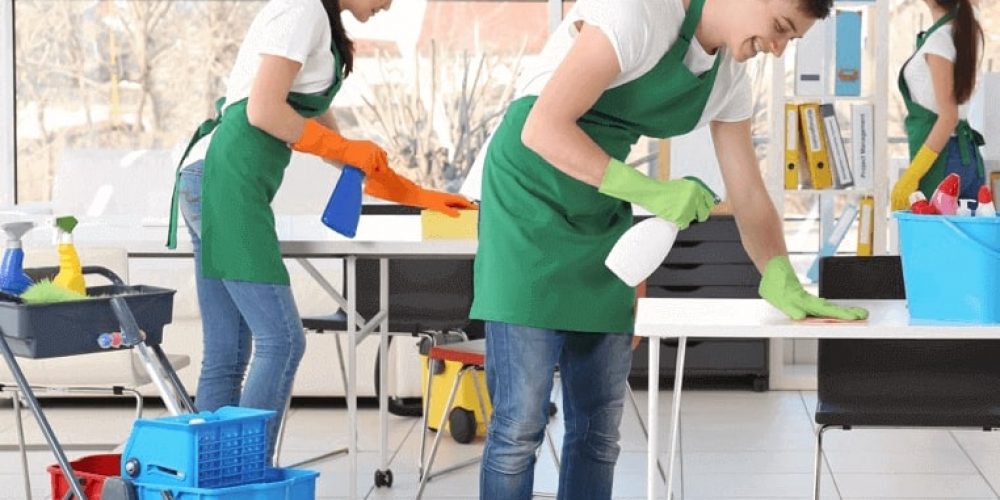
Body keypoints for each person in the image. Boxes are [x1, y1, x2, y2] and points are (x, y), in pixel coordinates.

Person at [467, 0, 868, 498]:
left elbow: (747, 191)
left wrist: (779, 272)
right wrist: (654, 192)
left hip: (601, 201)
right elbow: (542, 128)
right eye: (780, 28)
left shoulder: (728, 80)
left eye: (793, 40)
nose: (780, 50)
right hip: (527, 202)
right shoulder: (639, 12)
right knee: (520, 425)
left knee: (598, 429)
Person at [164, 0, 475, 458]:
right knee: (283, 339)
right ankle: (247, 475)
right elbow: (263, 111)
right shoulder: (301, 9)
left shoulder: (319, 26)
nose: (390, 5)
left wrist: (420, 196)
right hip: (224, 180)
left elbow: (335, 148)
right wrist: (345, 149)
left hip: (211, 179)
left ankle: (208, 479)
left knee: (228, 350)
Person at [890, 0, 985, 211]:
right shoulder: (968, 29)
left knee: (931, 240)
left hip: (941, 159)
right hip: (966, 156)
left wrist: (913, 174)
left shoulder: (939, 42)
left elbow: (948, 117)